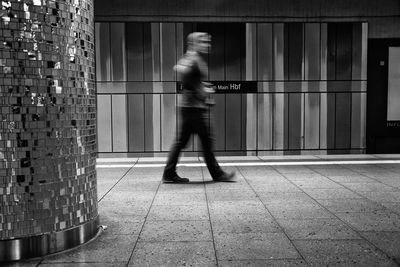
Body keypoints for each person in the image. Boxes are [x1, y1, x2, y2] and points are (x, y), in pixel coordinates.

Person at [162, 32, 236, 183]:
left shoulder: (192, 57)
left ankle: (169, 173)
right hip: (195, 109)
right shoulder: (193, 58)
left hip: (190, 107)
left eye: (208, 41)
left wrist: (201, 86)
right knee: (206, 141)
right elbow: (181, 69)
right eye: (203, 41)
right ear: (194, 43)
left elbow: (187, 76)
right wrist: (202, 91)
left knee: (182, 142)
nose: (207, 44)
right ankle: (217, 174)